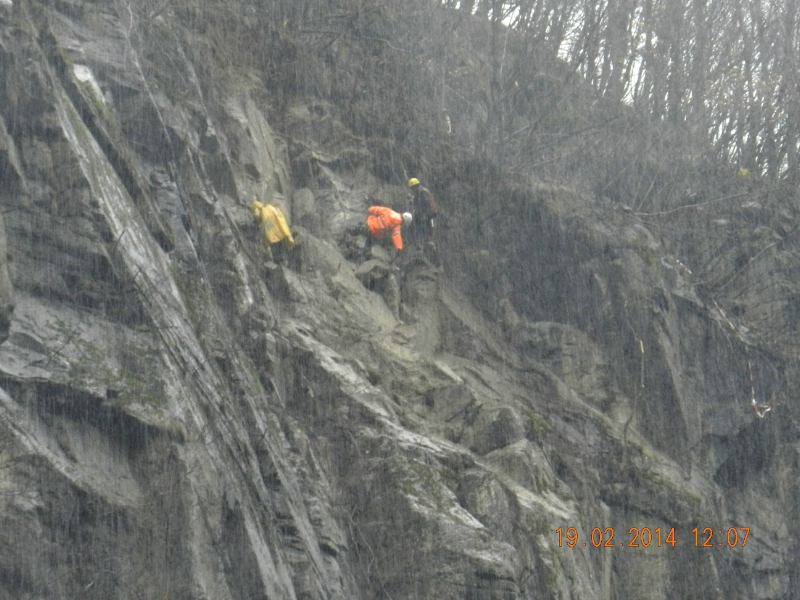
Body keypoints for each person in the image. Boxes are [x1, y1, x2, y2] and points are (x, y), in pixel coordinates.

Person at [407, 177, 438, 244]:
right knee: (417, 226)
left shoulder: (423, 193)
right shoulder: (420, 193)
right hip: (426, 214)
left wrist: (423, 215)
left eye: (412, 188)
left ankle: (424, 241)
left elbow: (424, 204)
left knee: (423, 229)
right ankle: (420, 241)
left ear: (415, 187)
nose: (412, 190)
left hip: (428, 214)